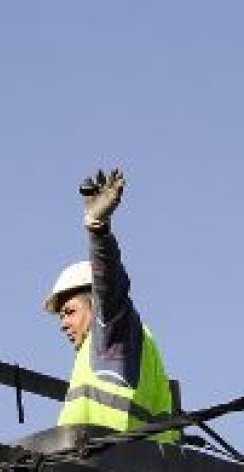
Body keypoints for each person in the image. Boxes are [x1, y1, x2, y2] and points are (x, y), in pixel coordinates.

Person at [43, 168, 177, 442]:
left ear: (96, 306)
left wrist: (97, 229)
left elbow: (110, 283)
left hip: (111, 465)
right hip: (137, 469)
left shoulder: (111, 336)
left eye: (69, 312)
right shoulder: (124, 346)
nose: (63, 323)